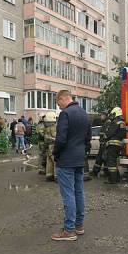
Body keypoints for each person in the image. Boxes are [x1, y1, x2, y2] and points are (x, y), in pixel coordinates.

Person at [51, 90, 91, 242]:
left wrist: (56, 154)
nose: (59, 107)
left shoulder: (65, 114)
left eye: (58, 103)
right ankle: (79, 226)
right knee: (78, 192)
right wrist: (83, 152)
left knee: (68, 194)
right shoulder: (83, 113)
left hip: (66, 160)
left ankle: (69, 231)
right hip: (80, 159)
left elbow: (61, 139)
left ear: (63, 98)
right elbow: (87, 139)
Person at [105, 107, 126, 184]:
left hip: (113, 144)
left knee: (111, 163)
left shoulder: (115, 122)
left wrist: (106, 133)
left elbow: (109, 133)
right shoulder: (122, 122)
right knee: (114, 162)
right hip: (119, 144)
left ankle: (113, 180)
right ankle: (117, 178)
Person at [90, 111, 111, 177]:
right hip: (103, 144)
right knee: (101, 158)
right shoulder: (105, 123)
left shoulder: (108, 123)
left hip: (104, 144)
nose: (101, 117)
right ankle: (97, 172)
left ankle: (103, 172)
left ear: (105, 116)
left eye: (102, 115)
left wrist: (104, 141)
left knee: (102, 158)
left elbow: (106, 134)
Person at [44, 112, 57, 182]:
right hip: (53, 146)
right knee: (55, 161)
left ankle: (49, 176)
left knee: (49, 161)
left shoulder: (47, 128)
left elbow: (45, 138)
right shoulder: (54, 127)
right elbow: (56, 137)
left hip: (48, 146)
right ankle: (56, 177)